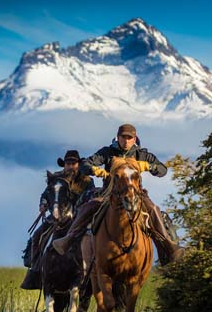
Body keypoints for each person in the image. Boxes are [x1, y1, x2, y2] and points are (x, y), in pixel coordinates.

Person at [52, 124, 184, 265]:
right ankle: (69, 238)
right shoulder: (108, 152)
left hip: (135, 193)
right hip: (110, 193)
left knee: (153, 209)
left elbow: (163, 169)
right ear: (118, 137)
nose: (126, 141)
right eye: (123, 137)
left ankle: (168, 245)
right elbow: (85, 164)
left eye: (129, 138)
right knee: (88, 206)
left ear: (134, 139)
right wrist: (97, 171)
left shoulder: (141, 154)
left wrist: (149, 166)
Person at [20, 150, 95, 290]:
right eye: (68, 163)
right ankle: (36, 270)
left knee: (92, 237)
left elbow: (90, 198)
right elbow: (46, 193)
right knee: (37, 236)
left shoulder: (87, 180)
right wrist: (43, 204)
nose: (70, 166)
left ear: (78, 164)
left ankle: (92, 271)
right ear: (64, 165)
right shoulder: (56, 177)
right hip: (57, 214)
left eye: (73, 163)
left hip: (80, 216)